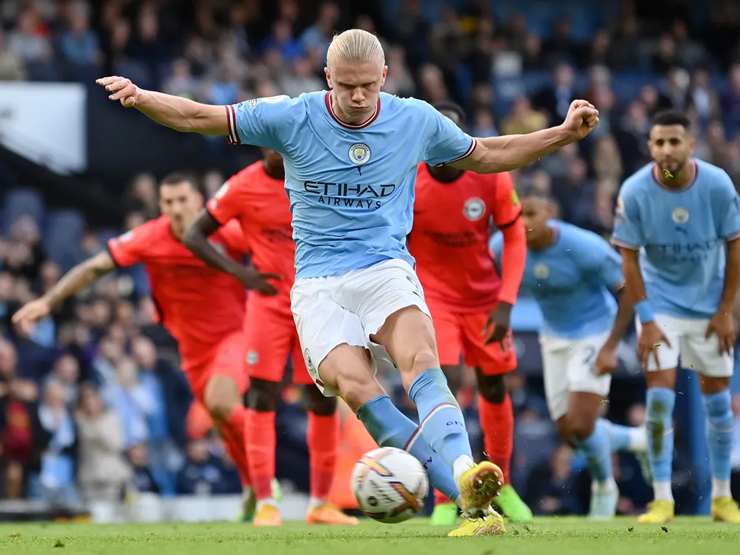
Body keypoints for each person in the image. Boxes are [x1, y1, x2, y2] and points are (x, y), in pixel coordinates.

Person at [95, 28, 599, 536]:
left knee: (422, 358)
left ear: (384, 77)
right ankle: (463, 494)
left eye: (367, 87)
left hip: (384, 268)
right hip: (317, 285)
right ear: (327, 78)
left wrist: (562, 134)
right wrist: (142, 98)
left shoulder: (416, 119)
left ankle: (467, 475)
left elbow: (489, 154)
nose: (358, 98)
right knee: (358, 389)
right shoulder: (292, 116)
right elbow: (198, 116)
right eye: (345, 86)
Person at [12, 173, 261, 519]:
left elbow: (271, 249)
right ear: (160, 206)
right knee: (220, 418)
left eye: (182, 200)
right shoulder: (151, 237)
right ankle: (253, 486)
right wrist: (48, 302)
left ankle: (266, 486)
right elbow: (96, 266)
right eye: (168, 202)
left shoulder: (225, 231)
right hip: (191, 349)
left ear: (198, 201)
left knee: (221, 402)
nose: (176, 209)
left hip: (237, 334)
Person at [182, 149, 356, 526]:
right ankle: (265, 501)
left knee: (323, 395)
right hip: (270, 307)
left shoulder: (319, 175)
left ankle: (320, 503)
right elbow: (193, 234)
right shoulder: (242, 186)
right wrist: (240, 274)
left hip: (317, 304)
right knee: (262, 395)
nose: (281, 146)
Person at [612, 109, 740, 524]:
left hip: (708, 309)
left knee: (719, 406)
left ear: (691, 145)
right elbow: (628, 260)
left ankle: (722, 498)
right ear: (649, 147)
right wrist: (646, 319)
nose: (666, 150)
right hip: (661, 307)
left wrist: (725, 311)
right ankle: (662, 498)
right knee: (659, 403)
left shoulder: (718, 185)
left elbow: (735, 248)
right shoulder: (634, 191)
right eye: (659, 143)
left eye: (674, 142)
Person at [407, 101, 532, 525]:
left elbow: (515, 237)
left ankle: (504, 482)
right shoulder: (409, 177)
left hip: (483, 300)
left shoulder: (492, 177)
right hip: (432, 298)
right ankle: (448, 495)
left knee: (493, 387)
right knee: (444, 383)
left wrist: (506, 302)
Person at [492, 189, 649, 520]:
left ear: (549, 211)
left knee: (581, 423)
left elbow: (630, 291)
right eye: (517, 215)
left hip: (595, 331)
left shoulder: (584, 247)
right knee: (569, 432)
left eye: (531, 213)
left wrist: (610, 347)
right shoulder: (501, 246)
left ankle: (605, 486)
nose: (524, 223)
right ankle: (637, 439)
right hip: (552, 336)